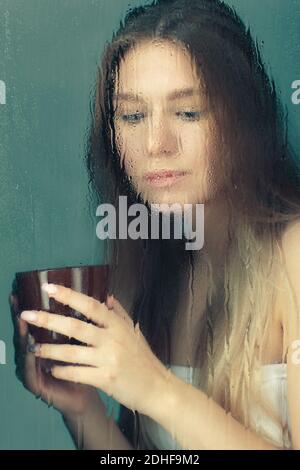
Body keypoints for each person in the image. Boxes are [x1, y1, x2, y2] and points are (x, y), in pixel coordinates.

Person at [10, 0, 300, 450]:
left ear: (243, 118)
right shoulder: (156, 269)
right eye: (133, 116)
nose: (155, 144)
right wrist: (80, 407)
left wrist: (155, 389)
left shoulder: (293, 254)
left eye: (188, 112)